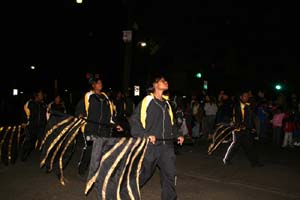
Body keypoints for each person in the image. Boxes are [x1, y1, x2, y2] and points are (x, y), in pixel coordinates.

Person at [129, 75, 184, 200]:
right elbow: (134, 121)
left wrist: (178, 135)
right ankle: (127, 192)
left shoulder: (167, 104)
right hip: (151, 146)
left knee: (170, 175)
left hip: (167, 147)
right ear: (155, 85)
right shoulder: (147, 101)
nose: (166, 82)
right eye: (163, 80)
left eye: (166, 80)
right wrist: (145, 135)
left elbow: (172, 124)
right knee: (144, 174)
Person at [78, 77, 123, 176]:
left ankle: (99, 171)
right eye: (98, 83)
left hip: (104, 130)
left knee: (103, 150)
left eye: (101, 83)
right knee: (90, 149)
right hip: (91, 128)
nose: (100, 84)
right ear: (93, 85)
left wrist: (115, 125)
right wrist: (80, 114)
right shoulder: (89, 96)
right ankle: (82, 167)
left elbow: (110, 115)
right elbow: (82, 109)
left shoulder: (106, 98)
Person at [222, 91, 263, 167]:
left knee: (250, 146)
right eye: (245, 96)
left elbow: (251, 118)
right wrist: (238, 125)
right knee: (235, 145)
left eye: (247, 96)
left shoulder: (248, 105)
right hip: (238, 130)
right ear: (241, 97)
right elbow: (235, 118)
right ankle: (226, 159)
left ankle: (254, 162)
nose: (246, 97)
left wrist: (252, 127)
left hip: (247, 129)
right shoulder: (236, 106)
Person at [21, 90, 48, 161]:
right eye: (41, 94)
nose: (42, 96)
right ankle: (24, 155)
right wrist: (24, 122)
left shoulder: (43, 105)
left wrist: (47, 123)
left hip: (41, 127)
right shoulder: (30, 103)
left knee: (43, 142)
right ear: (36, 95)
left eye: (42, 94)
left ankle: (45, 158)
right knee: (29, 142)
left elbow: (47, 115)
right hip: (31, 127)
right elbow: (24, 112)